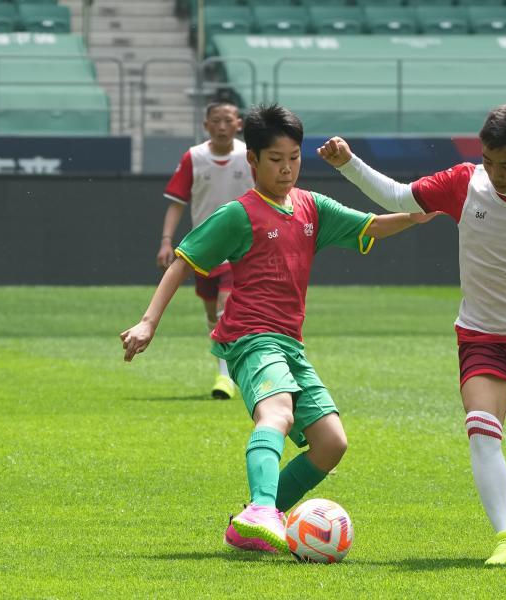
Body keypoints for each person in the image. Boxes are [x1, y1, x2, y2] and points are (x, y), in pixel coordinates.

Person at [121, 104, 435, 554]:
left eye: (294, 157)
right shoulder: (238, 214)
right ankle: (263, 510)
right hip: (250, 340)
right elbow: (182, 263)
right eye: (275, 159)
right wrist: (148, 322)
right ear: (253, 160)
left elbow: (369, 226)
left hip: (290, 345)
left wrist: (417, 215)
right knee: (277, 414)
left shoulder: (311, 207)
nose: (286, 168)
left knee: (331, 443)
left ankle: (253, 523)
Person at [318, 102, 506, 566]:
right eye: (489, 161)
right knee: (480, 428)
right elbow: (399, 197)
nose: (495, 173)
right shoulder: (464, 182)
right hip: (482, 335)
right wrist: (348, 163)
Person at [159, 102, 255, 400]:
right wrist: (166, 240)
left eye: (228, 120)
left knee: (228, 306)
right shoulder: (194, 157)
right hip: (205, 248)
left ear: (238, 123)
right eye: (216, 120)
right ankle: (225, 368)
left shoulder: (249, 156)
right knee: (213, 314)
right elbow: (177, 201)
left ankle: (226, 376)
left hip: (240, 248)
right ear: (206, 125)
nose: (222, 126)